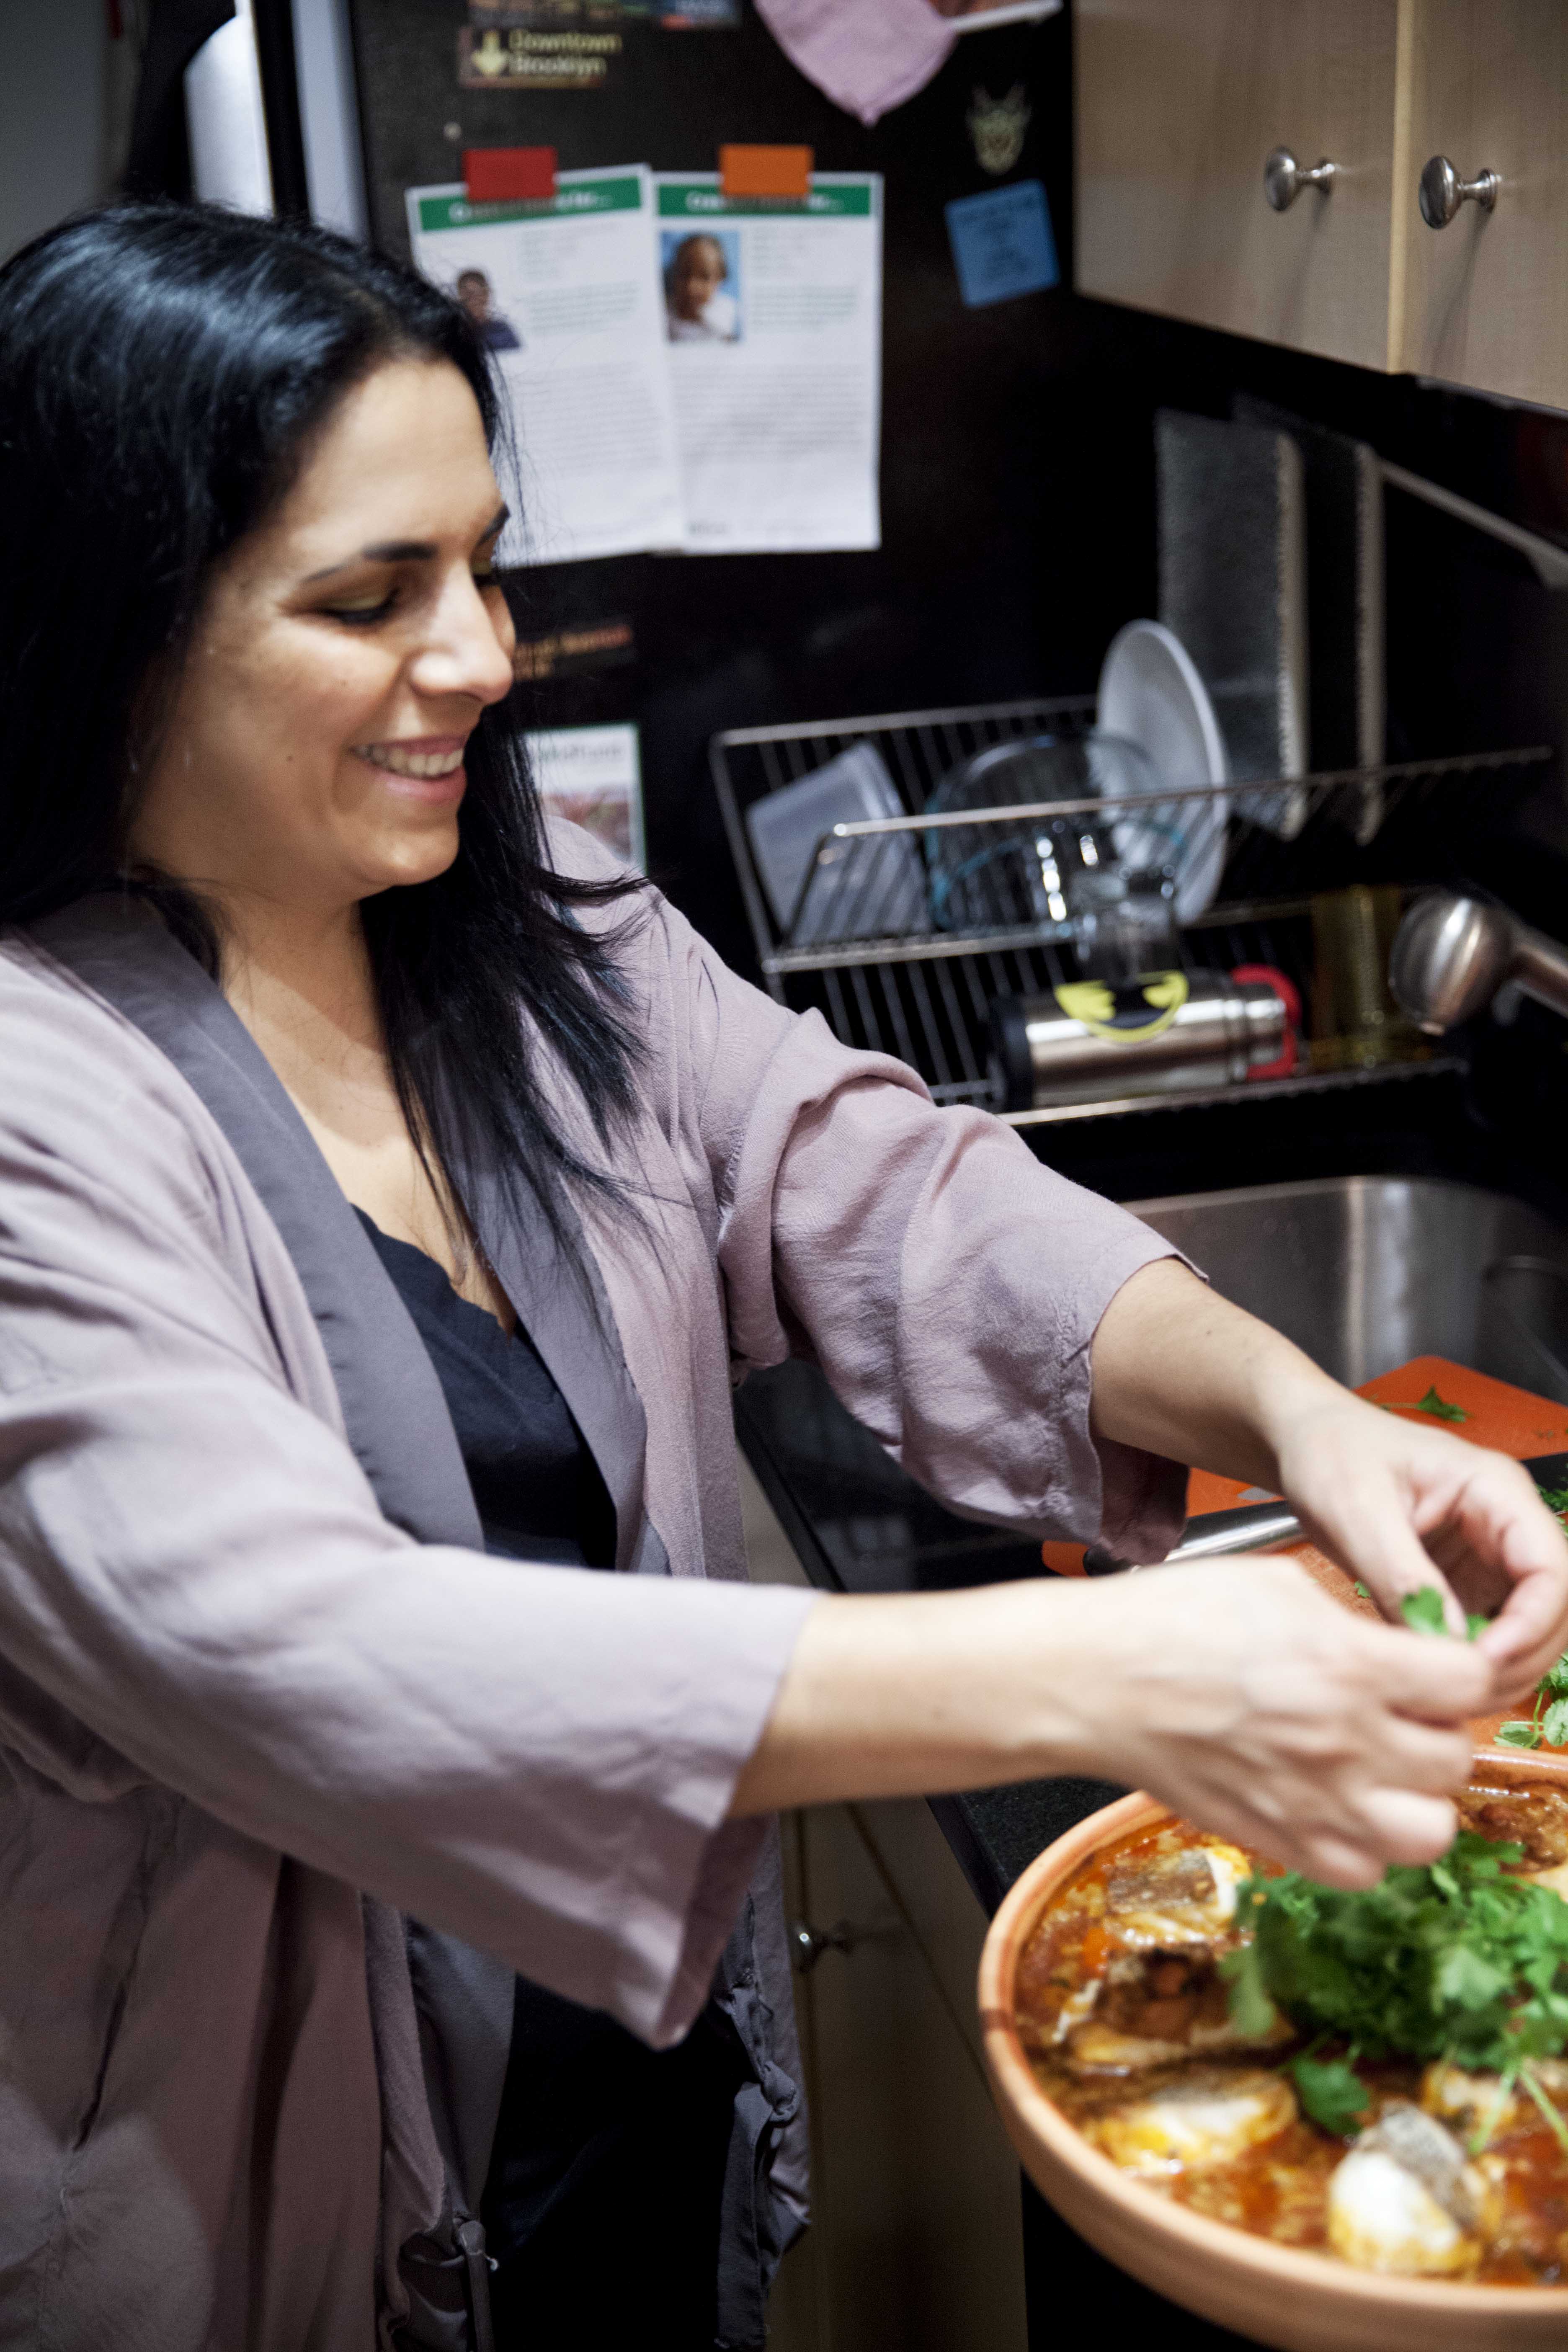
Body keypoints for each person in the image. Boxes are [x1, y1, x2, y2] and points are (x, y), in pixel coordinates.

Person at [0, 201, 1562, 2352]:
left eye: (479, 563)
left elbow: (865, 1173)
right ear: (109, 634)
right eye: (368, 598)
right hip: (259, 2213)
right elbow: (309, 1649)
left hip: (633, 2119)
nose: (475, 656)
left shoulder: (498, 889)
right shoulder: (35, 1098)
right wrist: (1119, 1669)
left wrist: (1291, 1407)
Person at [666, 231, 739, 342]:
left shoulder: (730, 311)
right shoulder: (667, 312)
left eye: (704, 277)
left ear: (721, 278)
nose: (692, 288)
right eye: (685, 275)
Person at [456, 264, 521, 352]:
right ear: (459, 298)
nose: (473, 299)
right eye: (467, 294)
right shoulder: (453, 332)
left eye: (478, 293)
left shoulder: (503, 330)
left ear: (487, 295)